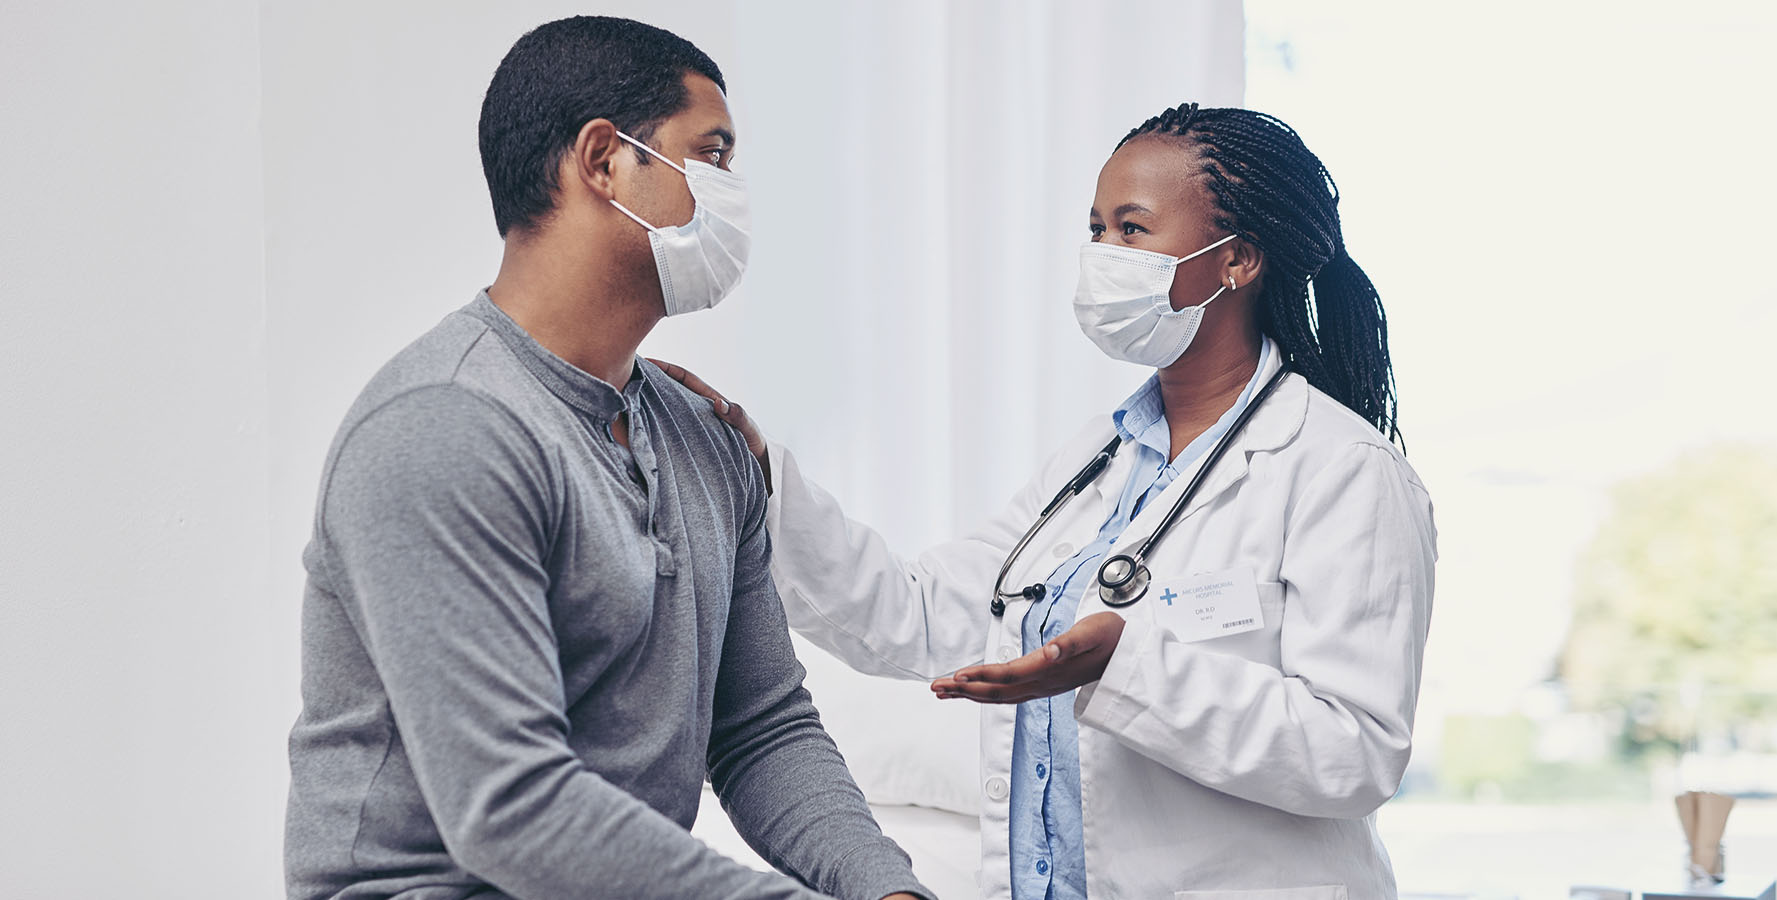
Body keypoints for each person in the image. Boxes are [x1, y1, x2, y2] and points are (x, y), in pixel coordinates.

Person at [660, 104, 1437, 900]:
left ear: (1235, 260)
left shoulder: (1343, 471)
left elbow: (1354, 752)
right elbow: (924, 611)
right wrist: (758, 476)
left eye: (1131, 231)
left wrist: (1125, 668)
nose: (1101, 255)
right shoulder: (1096, 462)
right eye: (1095, 229)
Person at [283, 16, 930, 900]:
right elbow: (510, 808)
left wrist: (886, 892)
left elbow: (760, 727)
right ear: (602, 160)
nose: (730, 189)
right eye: (712, 155)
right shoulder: (444, 426)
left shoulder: (706, 439)